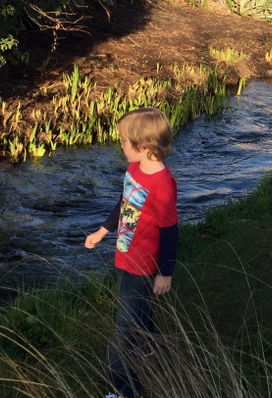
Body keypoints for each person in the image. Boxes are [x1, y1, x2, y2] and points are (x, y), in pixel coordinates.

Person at [85, 107, 179, 398]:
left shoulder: (163, 185)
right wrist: (103, 231)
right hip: (124, 255)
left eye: (124, 141)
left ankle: (123, 388)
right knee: (139, 306)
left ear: (143, 147)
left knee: (123, 328)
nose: (121, 145)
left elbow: (170, 231)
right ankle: (147, 344)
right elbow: (124, 204)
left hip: (144, 263)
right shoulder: (133, 170)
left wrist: (165, 272)